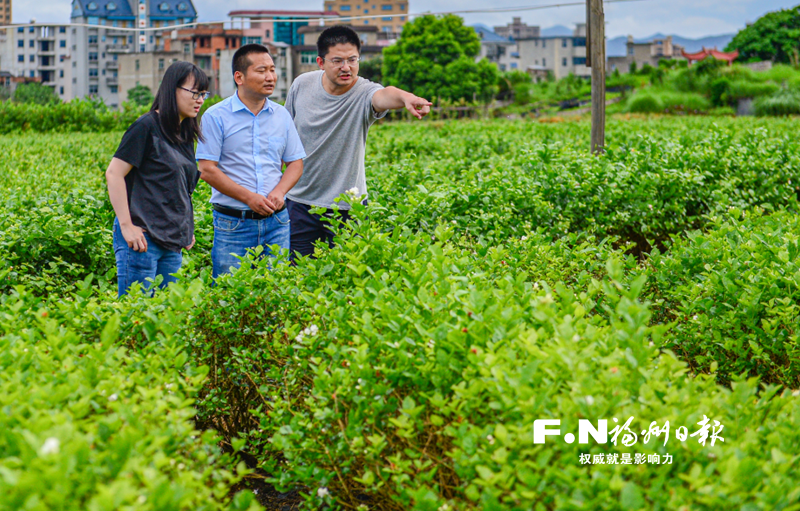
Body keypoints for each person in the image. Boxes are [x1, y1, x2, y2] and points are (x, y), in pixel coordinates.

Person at [284, 25, 432, 259]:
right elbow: (286, 134)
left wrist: (406, 98)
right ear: (321, 62)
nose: (347, 67)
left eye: (353, 60)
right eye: (338, 61)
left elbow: (385, 95)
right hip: (299, 200)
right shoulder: (301, 84)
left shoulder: (365, 92)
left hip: (348, 206)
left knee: (348, 272)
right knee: (297, 275)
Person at [196, 44, 305, 278]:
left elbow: (295, 163)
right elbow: (206, 169)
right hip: (233, 223)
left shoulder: (281, 115)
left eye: (273, 70)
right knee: (229, 293)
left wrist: (279, 191)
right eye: (262, 70)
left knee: (276, 291)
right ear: (239, 77)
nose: (270, 77)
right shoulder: (216, 116)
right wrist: (250, 198)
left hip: (277, 221)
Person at [105, 61, 209, 297]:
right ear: (173, 90)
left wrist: (186, 228)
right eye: (195, 92)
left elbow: (178, 187)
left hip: (172, 242)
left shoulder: (183, 134)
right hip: (142, 239)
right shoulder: (146, 127)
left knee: (163, 318)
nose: (200, 100)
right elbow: (114, 173)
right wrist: (126, 226)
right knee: (137, 317)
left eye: (203, 94)